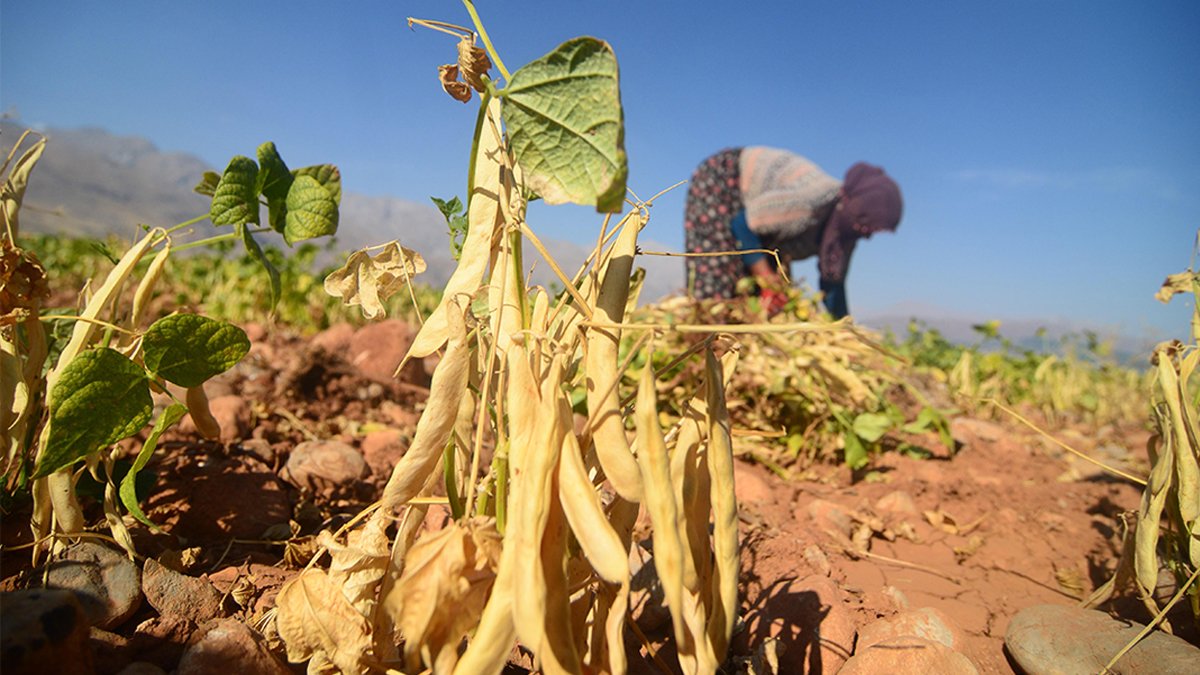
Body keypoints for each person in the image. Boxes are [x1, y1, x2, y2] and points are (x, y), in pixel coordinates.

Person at [683, 147, 902, 318]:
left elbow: (833, 286)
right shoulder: (813, 202)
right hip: (726, 182)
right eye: (866, 226)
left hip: (759, 227)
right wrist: (767, 278)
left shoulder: (844, 235)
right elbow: (744, 224)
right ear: (856, 209)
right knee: (717, 288)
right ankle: (704, 351)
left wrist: (845, 331)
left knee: (766, 306)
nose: (867, 236)